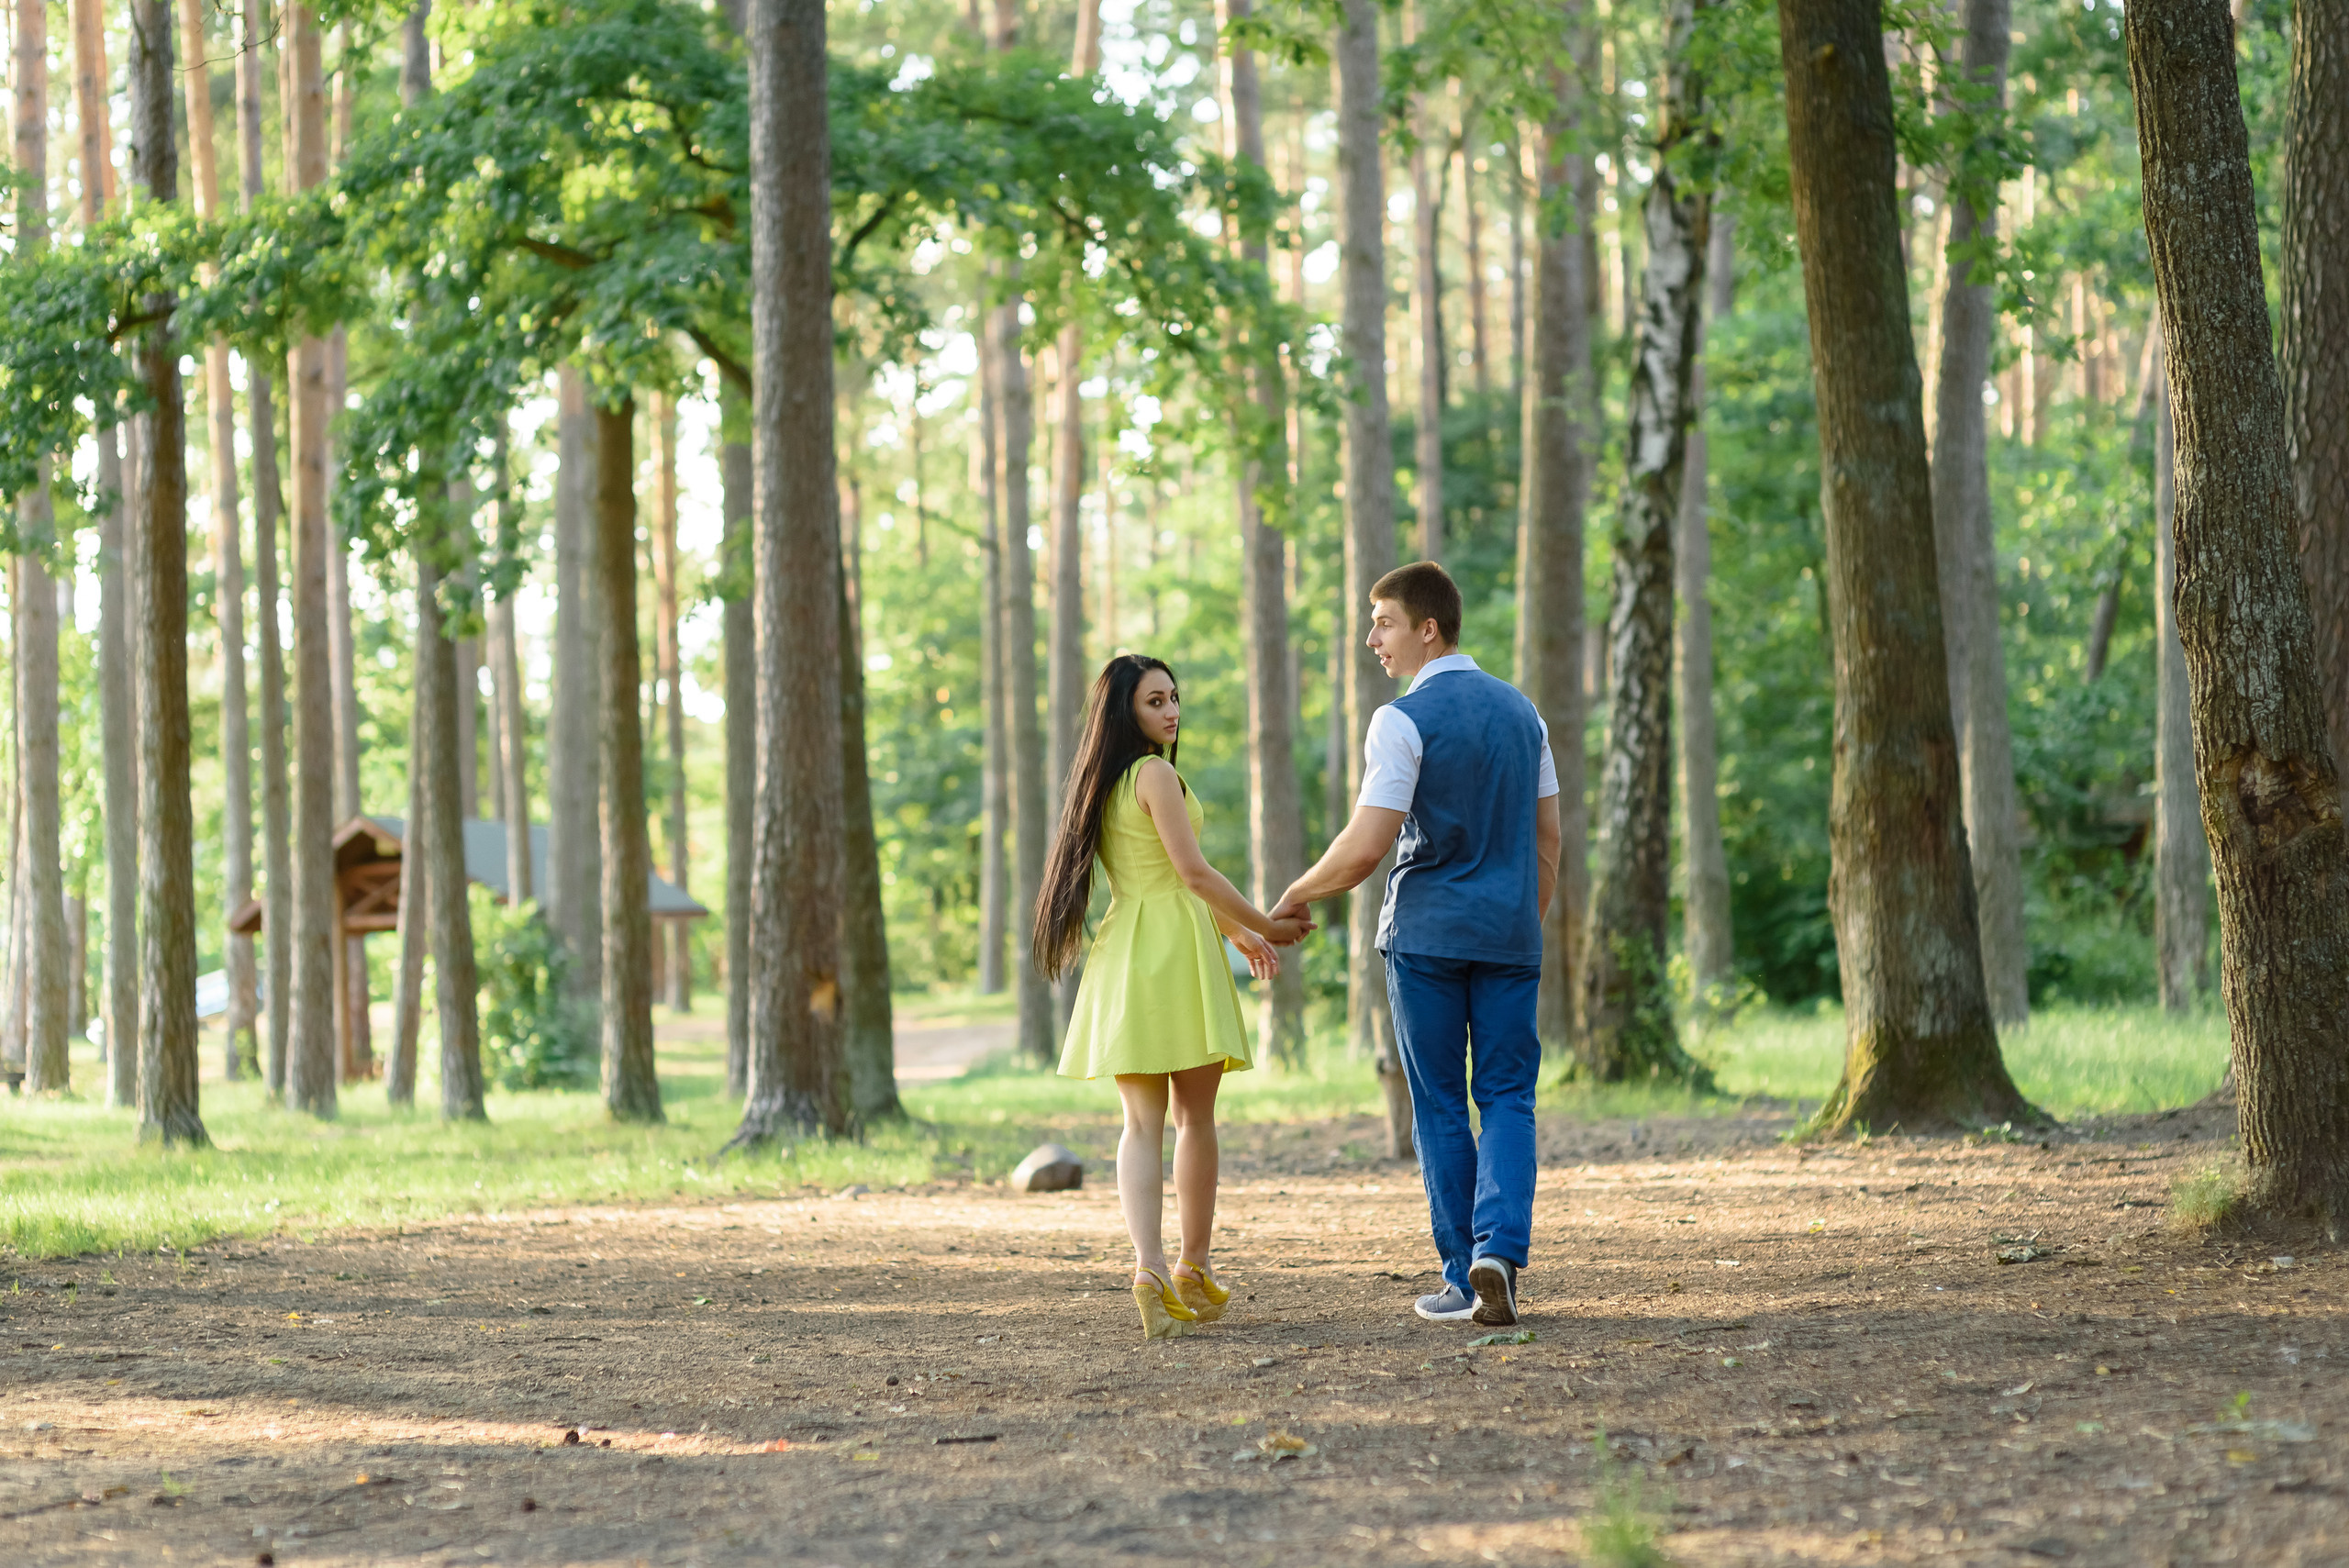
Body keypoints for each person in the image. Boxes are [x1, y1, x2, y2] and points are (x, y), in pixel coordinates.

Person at [1274, 562, 1561, 1327]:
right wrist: (1518, 922)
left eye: (1385, 621)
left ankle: (1463, 1279)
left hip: (1427, 938)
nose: (1373, 638)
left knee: (1437, 1101)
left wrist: (1300, 891)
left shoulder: (1400, 719)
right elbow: (1549, 841)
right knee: (1507, 1094)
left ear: (1427, 628)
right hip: (1510, 935)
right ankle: (1499, 1248)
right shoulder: (1524, 713)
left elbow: (1368, 845)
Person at [1036, 654, 1313, 1339]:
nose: (1172, 711)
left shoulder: (1103, 784)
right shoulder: (1156, 773)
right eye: (1156, 700)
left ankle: (1150, 1268)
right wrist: (1264, 924)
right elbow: (1191, 872)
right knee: (1195, 1119)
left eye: (1174, 697)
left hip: (1128, 948)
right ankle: (1191, 1263)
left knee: (1140, 1125)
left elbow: (1162, 873)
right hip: (1177, 950)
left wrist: (1237, 933)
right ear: (1126, 711)